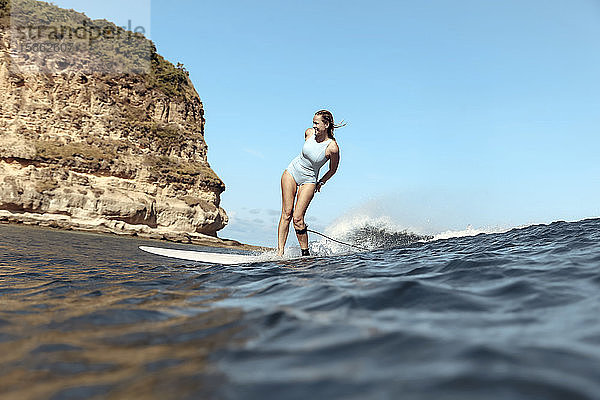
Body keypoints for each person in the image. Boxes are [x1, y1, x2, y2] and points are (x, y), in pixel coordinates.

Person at [277, 109, 343, 256]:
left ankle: (305, 255)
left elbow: (333, 170)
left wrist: (321, 182)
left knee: (298, 218)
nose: (313, 126)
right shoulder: (309, 133)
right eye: (313, 122)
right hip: (292, 172)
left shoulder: (332, 147)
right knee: (286, 213)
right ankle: (279, 253)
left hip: (309, 179)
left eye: (316, 123)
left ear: (326, 124)